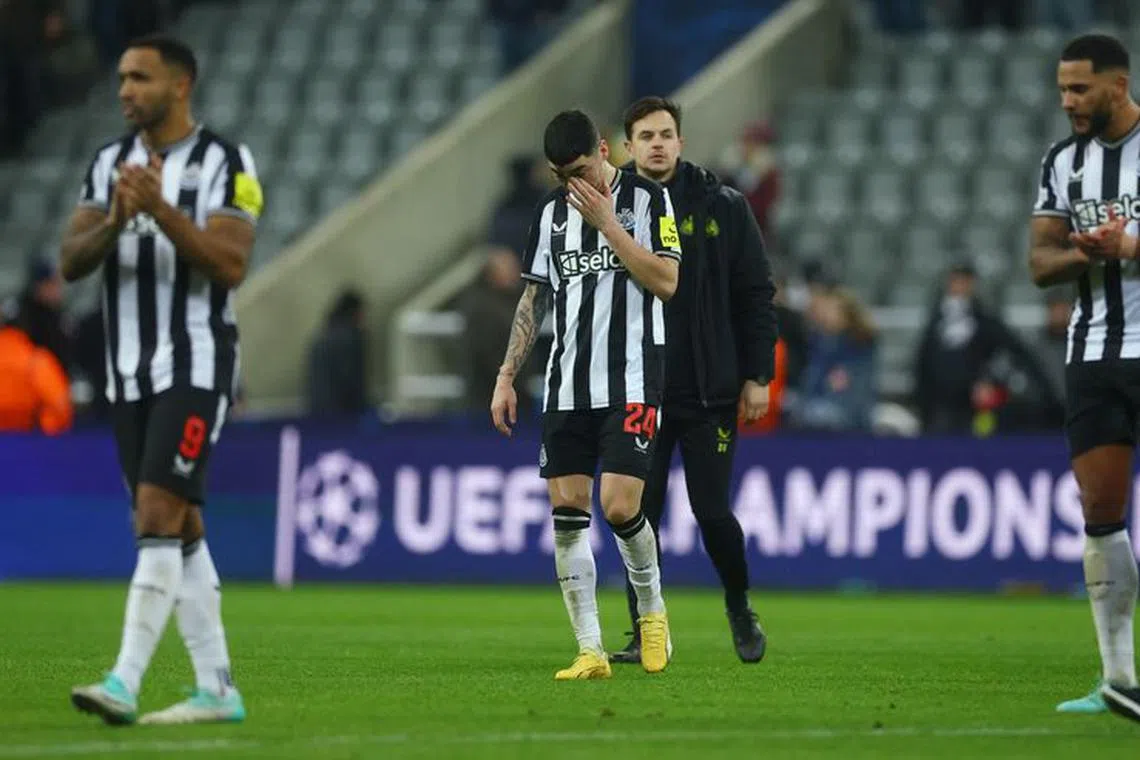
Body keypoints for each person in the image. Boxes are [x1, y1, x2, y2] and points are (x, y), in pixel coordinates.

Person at [60, 34, 262, 726]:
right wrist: (117, 218)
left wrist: (162, 212)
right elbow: (71, 261)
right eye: (120, 77)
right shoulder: (108, 164)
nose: (124, 90)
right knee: (180, 525)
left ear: (180, 85)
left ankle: (124, 680)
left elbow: (231, 264)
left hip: (197, 363)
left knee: (154, 513)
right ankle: (218, 689)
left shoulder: (228, 163)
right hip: (127, 373)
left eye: (139, 78)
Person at [490, 109, 681, 679]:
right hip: (567, 386)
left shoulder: (649, 202)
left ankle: (652, 616)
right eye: (560, 175)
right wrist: (505, 373)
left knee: (621, 506)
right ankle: (590, 650)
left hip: (632, 381)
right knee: (567, 512)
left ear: (604, 150)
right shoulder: (549, 216)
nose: (573, 185)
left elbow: (667, 282)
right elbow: (532, 301)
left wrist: (609, 226)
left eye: (579, 170)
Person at [610, 96, 776, 665]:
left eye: (666, 134)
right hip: (639, 389)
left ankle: (738, 601)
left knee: (711, 512)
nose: (657, 144)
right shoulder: (609, 208)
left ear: (680, 142)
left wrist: (759, 376)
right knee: (637, 516)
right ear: (628, 147)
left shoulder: (724, 207)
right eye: (646, 136)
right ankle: (644, 630)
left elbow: (756, 295)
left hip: (709, 391)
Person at [1029, 33, 1140, 723]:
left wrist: (1128, 246)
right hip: (1095, 352)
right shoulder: (1062, 162)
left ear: (1117, 84)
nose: (1068, 101)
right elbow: (1039, 262)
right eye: (1062, 88)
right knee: (1100, 510)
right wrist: (1084, 251)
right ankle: (1119, 678)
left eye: (1080, 89)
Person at [306, 288, 369, 419]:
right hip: (341, 414)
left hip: (318, 411)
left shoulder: (323, 334)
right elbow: (350, 381)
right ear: (356, 313)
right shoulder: (350, 338)